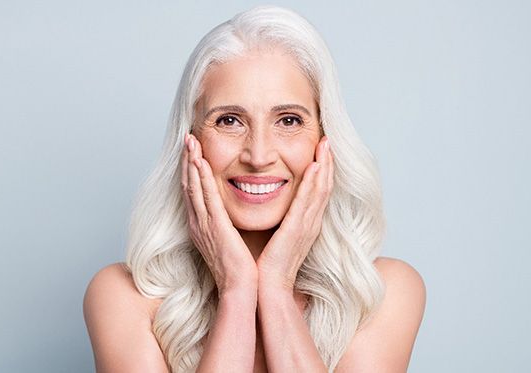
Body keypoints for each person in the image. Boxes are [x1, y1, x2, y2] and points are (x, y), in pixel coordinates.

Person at [83, 5, 426, 373]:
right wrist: (237, 289)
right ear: (191, 139)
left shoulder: (383, 293)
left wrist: (276, 285)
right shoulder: (122, 297)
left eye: (289, 120)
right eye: (229, 120)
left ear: (326, 140)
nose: (259, 155)